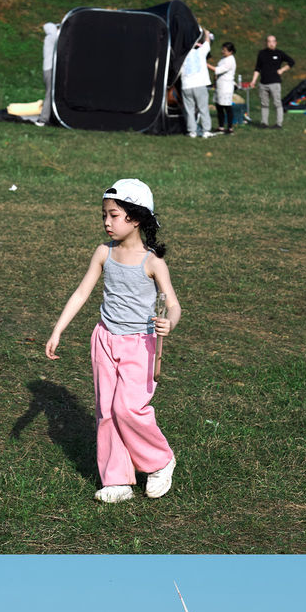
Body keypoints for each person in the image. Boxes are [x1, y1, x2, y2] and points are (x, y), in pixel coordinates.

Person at [46, 178, 180, 504]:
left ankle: (160, 461)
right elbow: (82, 292)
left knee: (128, 408)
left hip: (141, 345)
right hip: (104, 339)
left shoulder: (152, 262)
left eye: (114, 215)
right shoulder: (103, 253)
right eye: (104, 215)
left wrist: (169, 322)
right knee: (107, 410)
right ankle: (117, 480)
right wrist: (58, 329)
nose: (107, 222)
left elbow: (173, 304)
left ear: (135, 217)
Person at [249, 34, 295, 128]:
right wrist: (253, 80)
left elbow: (291, 62)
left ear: (276, 43)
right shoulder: (261, 53)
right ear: (266, 43)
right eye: (269, 41)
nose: (271, 44)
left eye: (273, 41)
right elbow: (258, 68)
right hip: (263, 83)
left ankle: (279, 123)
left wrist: (282, 70)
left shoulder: (279, 53)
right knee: (264, 104)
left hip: (275, 82)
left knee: (277, 103)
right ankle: (264, 122)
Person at [180, 27, 214, 138]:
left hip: (186, 85)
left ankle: (192, 131)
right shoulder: (200, 52)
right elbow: (207, 43)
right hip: (199, 84)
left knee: (189, 110)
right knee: (203, 108)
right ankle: (206, 130)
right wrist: (206, 33)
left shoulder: (183, 55)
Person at [208, 42, 237, 133]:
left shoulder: (230, 60)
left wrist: (206, 64)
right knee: (219, 106)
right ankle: (221, 126)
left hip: (226, 86)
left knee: (227, 106)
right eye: (222, 49)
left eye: (224, 50)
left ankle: (230, 128)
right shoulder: (223, 58)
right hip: (220, 86)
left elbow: (218, 70)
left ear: (230, 51)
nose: (222, 51)